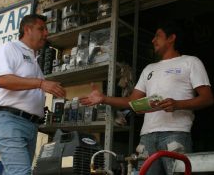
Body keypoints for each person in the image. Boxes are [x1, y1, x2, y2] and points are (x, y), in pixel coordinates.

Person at [80, 21, 213, 175]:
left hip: (176, 133)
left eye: (157, 36)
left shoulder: (190, 62)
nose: (153, 40)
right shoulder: (149, 69)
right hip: (147, 137)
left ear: (171, 38)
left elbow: (207, 98)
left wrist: (177, 104)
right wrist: (103, 99)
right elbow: (132, 101)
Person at [0, 14, 66, 175]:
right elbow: (3, 80)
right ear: (27, 29)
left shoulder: (34, 59)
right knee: (21, 173)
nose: (46, 33)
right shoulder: (9, 48)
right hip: (10, 121)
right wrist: (41, 83)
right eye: (41, 29)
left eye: (46, 29)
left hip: (29, 125)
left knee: (16, 172)